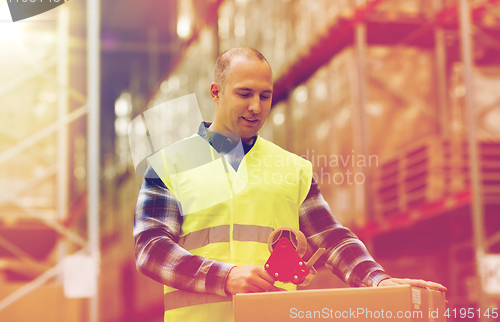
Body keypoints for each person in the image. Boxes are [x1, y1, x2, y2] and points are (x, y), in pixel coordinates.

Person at [133, 47, 446, 322]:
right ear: (216, 93)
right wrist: (226, 277)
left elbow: (332, 238)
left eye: (264, 95)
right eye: (244, 94)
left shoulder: (292, 168)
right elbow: (150, 248)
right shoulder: (169, 164)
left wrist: (377, 280)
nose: (256, 106)